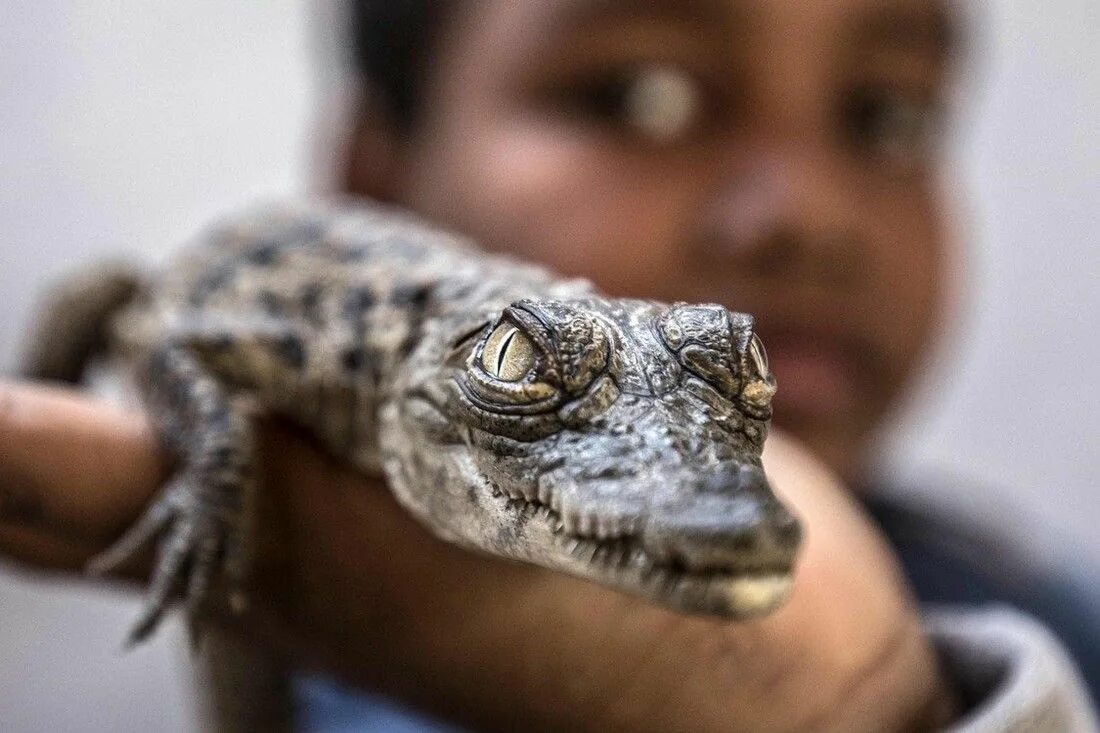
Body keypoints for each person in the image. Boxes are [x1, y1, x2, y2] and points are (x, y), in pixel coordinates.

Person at [1, 1, 1095, 731]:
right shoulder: (350, 373)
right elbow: (169, 331)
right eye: (636, 95)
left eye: (888, 114)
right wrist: (214, 478)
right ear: (376, 172)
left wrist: (872, 703)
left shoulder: (1048, 607)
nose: (804, 220)